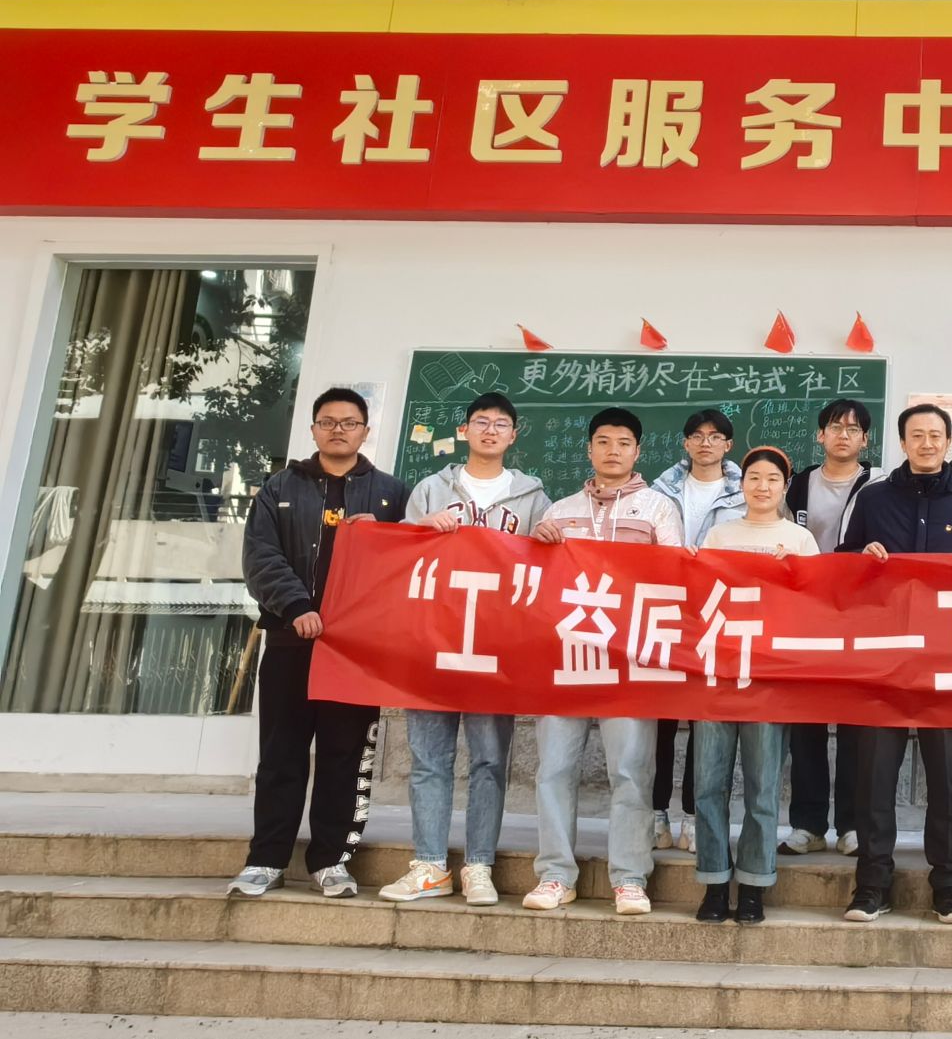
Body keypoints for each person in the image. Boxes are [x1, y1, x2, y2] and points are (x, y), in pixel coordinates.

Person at [228, 387, 408, 900]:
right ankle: (266, 859)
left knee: (345, 756)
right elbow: (260, 557)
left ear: (365, 432)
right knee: (280, 754)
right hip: (291, 642)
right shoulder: (279, 488)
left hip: (356, 652)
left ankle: (331, 861)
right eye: (327, 422)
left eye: (349, 423)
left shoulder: (392, 494)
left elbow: (410, 563)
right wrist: (297, 607)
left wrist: (387, 533)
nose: (338, 430)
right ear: (313, 430)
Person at [381, 392, 550, 907]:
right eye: (481, 421)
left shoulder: (533, 499)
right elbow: (399, 558)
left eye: (501, 423)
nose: (490, 430)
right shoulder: (431, 489)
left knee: (489, 760)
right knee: (429, 758)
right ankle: (430, 864)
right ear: (465, 430)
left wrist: (549, 538)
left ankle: (479, 865)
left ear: (514, 435)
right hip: (434, 643)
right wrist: (418, 529)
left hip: (495, 650)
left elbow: (546, 573)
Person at [521, 408, 684, 917]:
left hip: (631, 662)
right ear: (589, 448)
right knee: (554, 770)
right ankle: (555, 874)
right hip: (566, 658)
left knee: (631, 773)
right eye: (604, 441)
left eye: (624, 443)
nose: (613, 450)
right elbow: (535, 583)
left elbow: (677, 577)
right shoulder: (559, 511)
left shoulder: (658, 509)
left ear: (638, 451)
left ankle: (630, 877)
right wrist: (538, 545)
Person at [839, 403, 952, 925]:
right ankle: (871, 883)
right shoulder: (874, 497)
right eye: (917, 435)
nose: (927, 443)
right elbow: (843, 561)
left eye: (936, 435)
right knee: (874, 774)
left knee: (950, 777)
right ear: (902, 442)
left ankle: (950, 885)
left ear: (949, 443)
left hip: (947, 656)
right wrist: (861, 558)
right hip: (884, 656)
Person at [694, 447, 822, 924]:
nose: (762, 486)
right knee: (708, 784)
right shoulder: (719, 535)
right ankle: (713, 880)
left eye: (772, 479)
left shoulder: (800, 539)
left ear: (785, 486)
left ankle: (754, 883)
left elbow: (815, 607)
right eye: (753, 477)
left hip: (768, 680)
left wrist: (796, 574)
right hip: (719, 676)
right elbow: (699, 595)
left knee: (763, 788)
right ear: (741, 484)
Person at [780, 398, 876, 858]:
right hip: (804, 615)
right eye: (835, 427)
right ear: (820, 435)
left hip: (860, 616)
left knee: (857, 724)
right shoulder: (797, 485)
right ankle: (808, 823)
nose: (843, 435)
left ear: (865, 440)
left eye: (853, 429)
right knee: (806, 725)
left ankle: (853, 824)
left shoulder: (880, 485)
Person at [650, 409, 747, 853]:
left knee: (704, 721)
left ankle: (693, 814)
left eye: (715, 436)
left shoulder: (747, 492)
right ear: (685, 443)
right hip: (664, 611)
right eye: (697, 435)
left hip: (717, 615)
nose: (705, 443)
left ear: (728, 444)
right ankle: (656, 813)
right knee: (660, 721)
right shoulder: (658, 492)